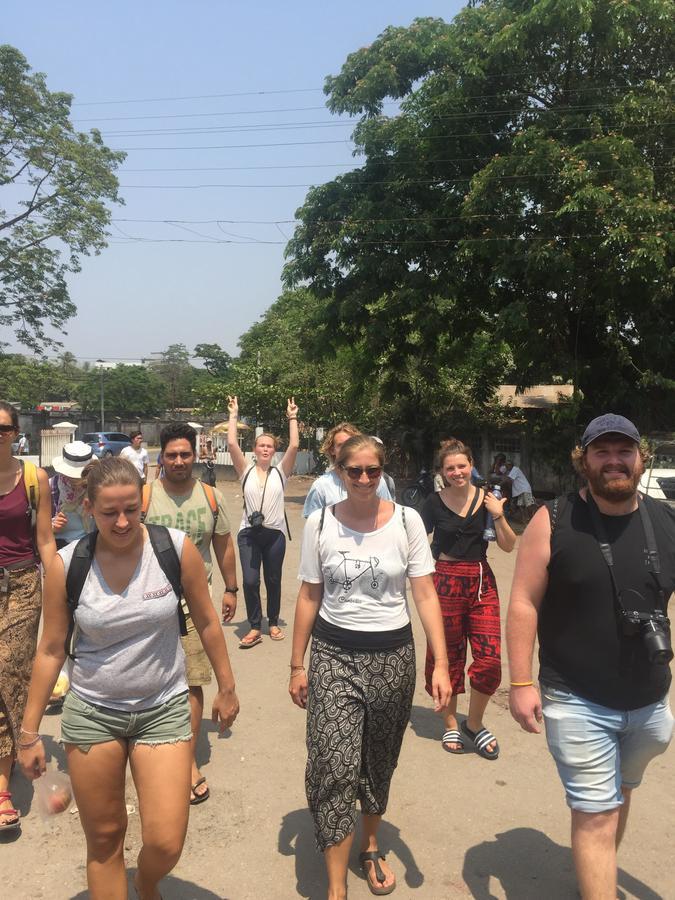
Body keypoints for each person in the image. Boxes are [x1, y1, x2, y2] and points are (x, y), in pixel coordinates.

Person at [18, 457, 239, 899]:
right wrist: (28, 733)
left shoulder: (174, 550)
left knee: (165, 839)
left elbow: (208, 622)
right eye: (108, 513)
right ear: (88, 509)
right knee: (104, 839)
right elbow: (50, 649)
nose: (121, 522)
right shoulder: (68, 565)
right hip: (92, 713)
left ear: (142, 502)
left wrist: (227, 687)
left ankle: (148, 881)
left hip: (163, 708)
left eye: (130, 510)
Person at [507, 414, 675, 900]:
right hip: (576, 697)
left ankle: (593, 877)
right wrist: (520, 682)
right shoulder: (553, 518)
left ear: (642, 458)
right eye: (602, 451)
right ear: (584, 461)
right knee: (598, 814)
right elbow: (523, 601)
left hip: (648, 700)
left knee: (618, 798)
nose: (614, 461)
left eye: (624, 451)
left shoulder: (666, 523)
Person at [290, 435, 452, 900]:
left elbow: (424, 592)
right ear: (339, 471)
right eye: (354, 470)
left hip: (392, 659)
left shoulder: (407, 521)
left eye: (372, 471)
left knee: (377, 761)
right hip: (333, 655)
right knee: (334, 764)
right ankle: (336, 887)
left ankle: (372, 843)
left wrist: (440, 664)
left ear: (384, 473)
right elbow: (308, 595)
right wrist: (295, 665)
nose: (363, 479)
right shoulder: (320, 523)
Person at [143, 422, 238, 805]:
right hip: (147, 604)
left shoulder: (211, 498)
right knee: (147, 681)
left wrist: (231, 589)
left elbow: (223, 546)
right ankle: (147, 750)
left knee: (191, 682)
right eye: (171, 455)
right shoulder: (146, 497)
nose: (179, 461)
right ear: (161, 457)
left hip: (194, 605)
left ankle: (185, 763)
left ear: (194, 455)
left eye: (185, 454)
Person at [421, 438, 516, 759]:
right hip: (445, 581)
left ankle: (474, 724)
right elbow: (415, 542)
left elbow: (508, 545)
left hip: (480, 581)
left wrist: (499, 515)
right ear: (442, 472)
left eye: (462, 466)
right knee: (445, 658)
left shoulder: (490, 499)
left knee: (489, 659)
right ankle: (450, 722)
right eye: (451, 468)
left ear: (472, 465)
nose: (457, 472)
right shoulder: (433, 503)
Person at [0, 402, 56, 832]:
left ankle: (2, 783)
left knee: (9, 671)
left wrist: (60, 590)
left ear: (16, 433)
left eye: (2, 428)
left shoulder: (34, 480)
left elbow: (45, 542)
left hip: (21, 584)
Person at [227, 395, 299, 648]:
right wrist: (234, 415)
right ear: (255, 450)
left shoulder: (281, 472)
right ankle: (255, 626)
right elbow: (232, 443)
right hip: (249, 534)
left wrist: (292, 417)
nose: (266, 449)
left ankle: (274, 621)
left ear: (273, 451)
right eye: (261, 446)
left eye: (270, 446)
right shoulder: (245, 471)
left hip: (274, 535)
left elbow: (294, 446)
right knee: (249, 580)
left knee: (273, 579)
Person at [303, 423, 392, 517]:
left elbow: (388, 513)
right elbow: (314, 523)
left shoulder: (376, 480)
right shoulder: (321, 487)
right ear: (332, 450)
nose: (364, 480)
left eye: (350, 444)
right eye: (341, 445)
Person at [50, 441, 97, 549]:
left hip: (91, 545)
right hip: (60, 547)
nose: (75, 479)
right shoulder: (51, 487)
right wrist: (52, 526)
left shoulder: (97, 486)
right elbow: (39, 527)